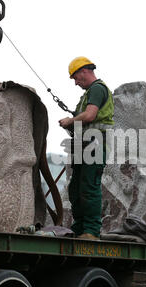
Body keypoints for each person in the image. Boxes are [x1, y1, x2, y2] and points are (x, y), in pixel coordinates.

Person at [59, 57, 114, 240]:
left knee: (89, 186)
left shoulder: (98, 89)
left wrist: (70, 121)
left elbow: (90, 116)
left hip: (95, 143)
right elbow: (85, 117)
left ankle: (91, 231)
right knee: (76, 188)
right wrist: (73, 122)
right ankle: (80, 229)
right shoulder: (90, 93)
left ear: (84, 71)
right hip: (86, 143)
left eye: (75, 77)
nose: (75, 83)